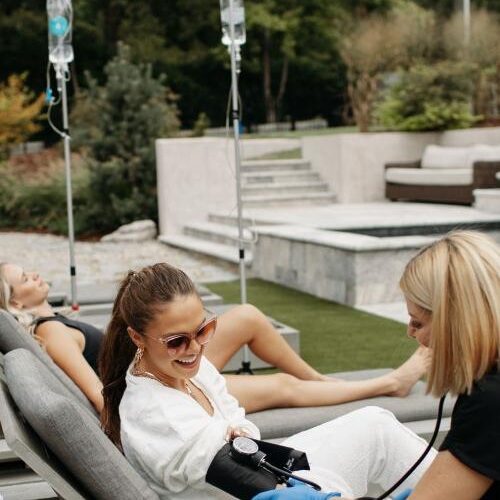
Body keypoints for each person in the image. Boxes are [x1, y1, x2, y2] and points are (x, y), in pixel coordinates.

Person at [99, 262, 436, 499]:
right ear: (137, 338)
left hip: (262, 472)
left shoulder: (188, 371)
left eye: (204, 330)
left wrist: (236, 433)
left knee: (376, 425)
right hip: (257, 491)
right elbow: (241, 475)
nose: (195, 348)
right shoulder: (158, 415)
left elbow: (236, 419)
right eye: (176, 341)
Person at [255, 230, 500, 500]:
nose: (410, 333)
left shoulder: (489, 401)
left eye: (418, 323)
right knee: (373, 422)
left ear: (456, 322)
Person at [0, 261, 428, 414]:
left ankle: (320, 379)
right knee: (281, 388)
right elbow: (99, 396)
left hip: (165, 362)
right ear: (14, 303)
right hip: (158, 386)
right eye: (23, 278)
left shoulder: (55, 318)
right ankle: (391, 383)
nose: (33, 274)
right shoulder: (53, 332)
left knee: (245, 315)